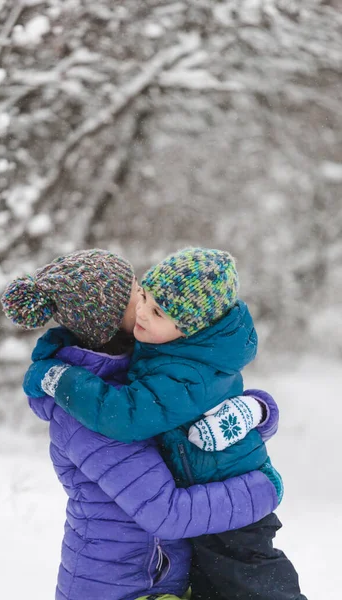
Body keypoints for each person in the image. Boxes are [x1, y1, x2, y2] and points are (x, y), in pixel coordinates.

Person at [22, 247, 307, 600]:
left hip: (165, 578)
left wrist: (258, 410)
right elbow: (168, 512)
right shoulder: (91, 410)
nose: (142, 306)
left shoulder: (146, 368)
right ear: (107, 319)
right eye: (136, 296)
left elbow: (192, 418)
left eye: (143, 291)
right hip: (123, 586)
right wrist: (265, 488)